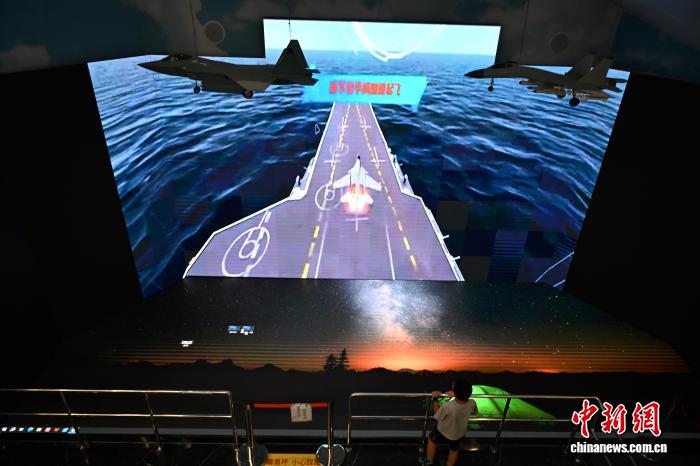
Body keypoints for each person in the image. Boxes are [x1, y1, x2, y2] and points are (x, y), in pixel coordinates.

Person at [426, 378, 478, 466]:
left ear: (455, 392)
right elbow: (474, 412)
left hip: (443, 432)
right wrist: (456, 395)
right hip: (459, 434)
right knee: (454, 449)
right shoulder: (472, 403)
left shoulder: (448, 406)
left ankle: (429, 462)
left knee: (431, 439)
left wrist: (435, 399)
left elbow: (437, 415)